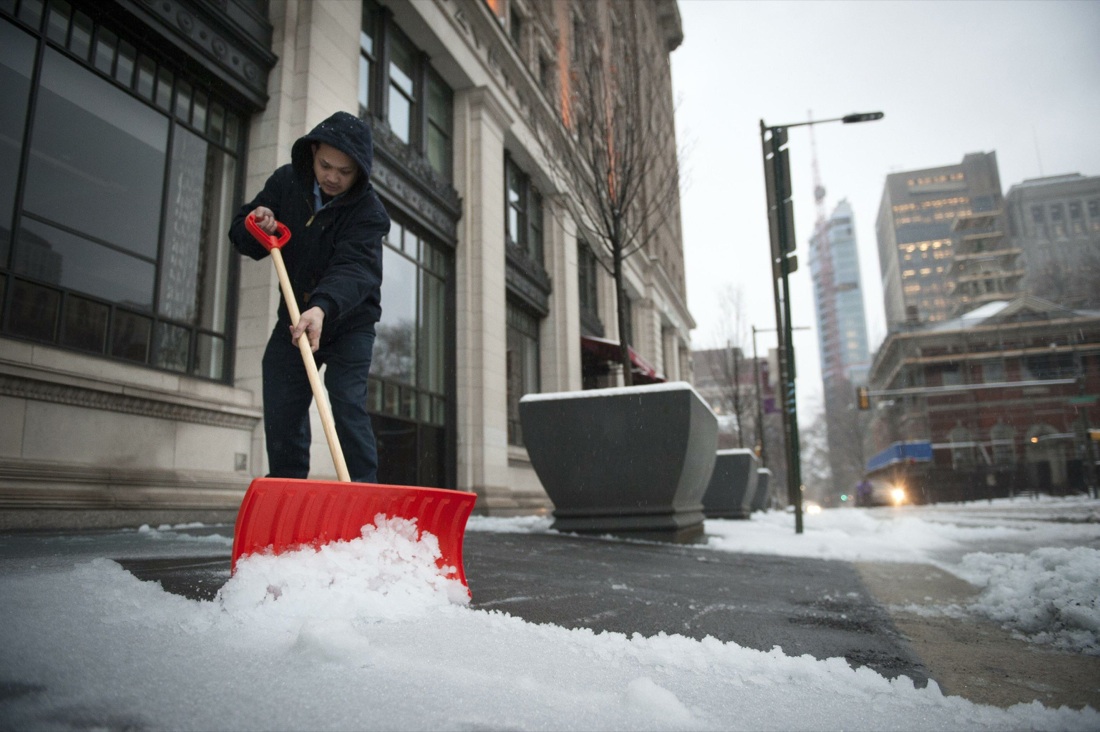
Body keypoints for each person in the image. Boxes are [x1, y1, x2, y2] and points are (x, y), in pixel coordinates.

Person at [229, 111, 389, 483]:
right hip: (296, 317)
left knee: (346, 400)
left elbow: (354, 269)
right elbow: (241, 234)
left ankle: (364, 498)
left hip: (348, 321)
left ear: (359, 171)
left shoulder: (369, 213)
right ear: (313, 152)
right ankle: (288, 488)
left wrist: (322, 307)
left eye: (344, 172)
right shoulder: (287, 182)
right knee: (282, 396)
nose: (332, 177)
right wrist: (257, 221)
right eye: (325, 165)